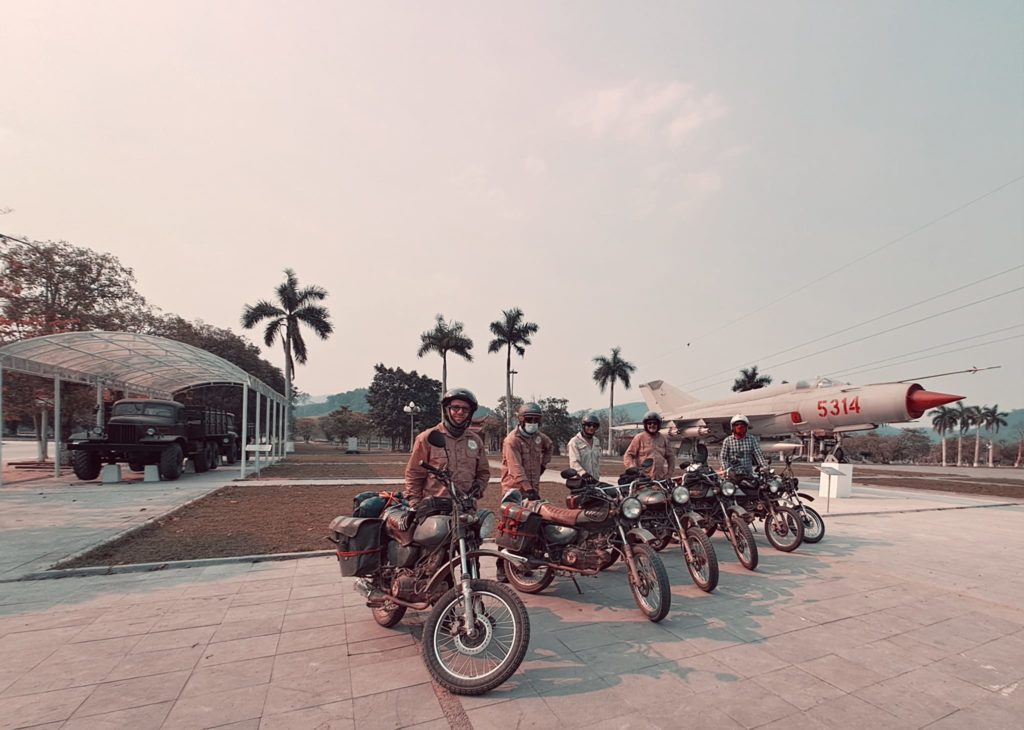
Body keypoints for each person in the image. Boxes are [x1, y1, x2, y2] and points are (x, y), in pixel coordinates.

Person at [404, 387, 490, 509]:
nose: (460, 412)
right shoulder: (427, 437)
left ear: (470, 413)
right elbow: (414, 473)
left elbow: (483, 472)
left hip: (465, 508)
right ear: (447, 410)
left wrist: (478, 487)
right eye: (455, 407)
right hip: (434, 509)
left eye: (465, 409)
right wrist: (415, 502)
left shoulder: (475, 441)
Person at [497, 401, 553, 582]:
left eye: (536, 420)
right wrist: (527, 488)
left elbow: (549, 446)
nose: (533, 423)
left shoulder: (538, 438)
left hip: (533, 489)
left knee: (530, 527)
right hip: (514, 489)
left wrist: (542, 465)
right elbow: (515, 467)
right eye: (529, 419)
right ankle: (502, 568)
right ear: (521, 420)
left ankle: (523, 565)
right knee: (510, 527)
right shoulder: (512, 440)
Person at [624, 411, 676, 479]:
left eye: (655, 423)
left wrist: (669, 474)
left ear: (658, 425)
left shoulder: (663, 438)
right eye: (649, 423)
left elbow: (671, 457)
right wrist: (632, 467)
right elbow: (628, 455)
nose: (652, 425)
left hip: (660, 479)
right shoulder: (639, 437)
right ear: (646, 425)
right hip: (643, 478)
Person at [567, 413, 601, 481]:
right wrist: (583, 473)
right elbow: (574, 462)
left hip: (594, 479)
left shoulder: (596, 441)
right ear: (583, 426)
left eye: (595, 426)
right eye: (589, 425)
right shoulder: (574, 442)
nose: (591, 428)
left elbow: (597, 462)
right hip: (580, 480)